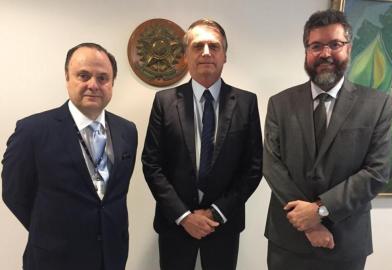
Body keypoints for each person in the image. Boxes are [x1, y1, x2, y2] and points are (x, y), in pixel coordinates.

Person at [263, 10, 392, 270]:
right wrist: (309, 224)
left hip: (345, 241)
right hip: (288, 241)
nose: (325, 54)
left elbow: (377, 171)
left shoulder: (377, 104)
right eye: (316, 46)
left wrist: (321, 210)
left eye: (335, 44)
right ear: (307, 51)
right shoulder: (280, 103)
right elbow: (271, 164)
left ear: (349, 48)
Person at [2, 43, 137, 270]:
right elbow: (14, 194)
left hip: (112, 258)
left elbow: (115, 195)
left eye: (103, 78)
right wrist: (49, 231)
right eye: (83, 75)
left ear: (112, 83)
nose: (93, 85)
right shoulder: (32, 131)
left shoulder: (127, 130)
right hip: (53, 259)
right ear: (67, 78)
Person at [142, 19, 262, 270]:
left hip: (223, 224)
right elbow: (152, 164)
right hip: (175, 223)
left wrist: (215, 213)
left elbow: (252, 168)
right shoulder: (164, 102)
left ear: (224, 55)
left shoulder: (246, 102)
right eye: (198, 46)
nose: (206, 52)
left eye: (214, 46)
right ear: (186, 56)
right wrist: (184, 216)